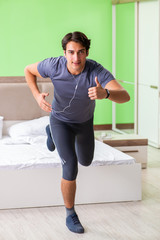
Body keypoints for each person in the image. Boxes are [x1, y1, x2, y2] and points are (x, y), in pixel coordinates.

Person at [24, 31, 130, 234]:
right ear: (64, 53)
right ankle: (70, 214)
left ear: (87, 52)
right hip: (60, 121)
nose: (76, 58)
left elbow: (125, 96)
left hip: (83, 123)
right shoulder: (53, 65)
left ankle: (49, 132)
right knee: (70, 166)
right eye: (71, 52)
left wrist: (106, 93)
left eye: (81, 52)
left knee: (86, 161)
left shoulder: (96, 71)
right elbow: (28, 70)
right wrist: (37, 96)